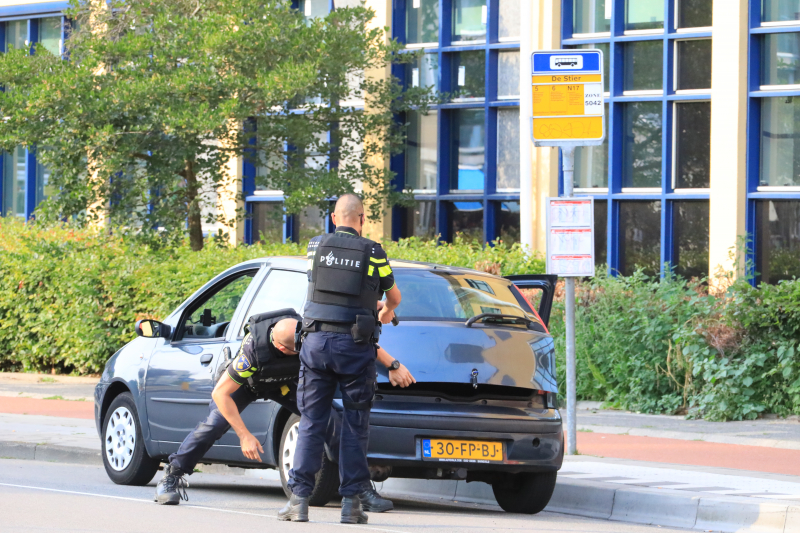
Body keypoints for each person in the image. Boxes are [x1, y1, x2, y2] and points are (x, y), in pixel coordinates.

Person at [154, 308, 415, 507]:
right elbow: (221, 393)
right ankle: (172, 474)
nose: (302, 350)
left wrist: (394, 366)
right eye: (295, 350)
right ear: (280, 347)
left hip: (286, 384)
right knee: (216, 424)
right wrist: (245, 435)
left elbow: (356, 341)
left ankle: (359, 487)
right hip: (251, 385)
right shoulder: (252, 352)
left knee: (331, 420)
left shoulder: (308, 332)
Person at [279, 194, 401, 525]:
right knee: (355, 424)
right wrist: (385, 310)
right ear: (361, 219)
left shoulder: (315, 248)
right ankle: (351, 505)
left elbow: (318, 284)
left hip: (316, 344)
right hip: (355, 346)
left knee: (312, 422)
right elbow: (394, 296)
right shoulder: (373, 251)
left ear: (334, 218)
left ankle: (299, 500)